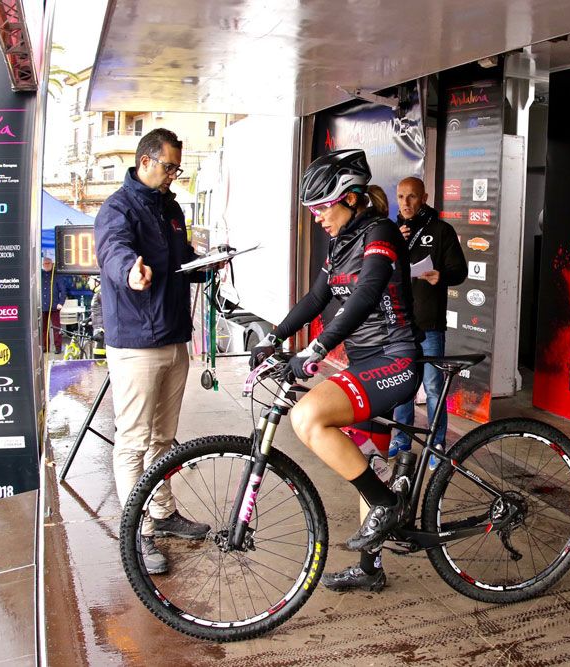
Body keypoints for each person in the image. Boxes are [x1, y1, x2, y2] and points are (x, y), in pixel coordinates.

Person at [250, 149, 421, 592]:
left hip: (395, 359)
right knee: (369, 466)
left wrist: (317, 347)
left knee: (307, 416)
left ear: (349, 198)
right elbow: (316, 298)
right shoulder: (340, 242)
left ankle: (387, 504)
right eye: (312, 210)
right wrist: (275, 336)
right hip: (366, 364)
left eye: (321, 208)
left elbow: (366, 294)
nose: (317, 218)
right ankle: (370, 567)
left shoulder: (380, 233)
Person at [95, 128, 211, 575]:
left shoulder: (171, 208)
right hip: (136, 343)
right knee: (133, 442)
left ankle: (162, 513)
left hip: (174, 336)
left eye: (177, 168)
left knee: (163, 439)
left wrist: (204, 265)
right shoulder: (117, 208)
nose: (173, 175)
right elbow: (113, 250)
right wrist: (130, 270)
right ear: (145, 161)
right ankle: (137, 532)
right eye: (168, 167)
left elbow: (179, 261)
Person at [390, 177, 466, 466]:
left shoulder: (441, 230)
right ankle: (401, 440)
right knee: (402, 388)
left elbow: (459, 271)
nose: (405, 203)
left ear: (424, 197)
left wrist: (441, 276)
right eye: (401, 197)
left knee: (433, 389)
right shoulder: (392, 231)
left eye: (412, 196)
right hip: (400, 325)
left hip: (430, 325)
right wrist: (397, 243)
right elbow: (379, 272)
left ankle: (436, 445)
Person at [41, 254, 66, 354]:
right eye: (45, 263)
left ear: (52, 264)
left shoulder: (56, 276)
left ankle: (58, 347)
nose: (47, 265)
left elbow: (63, 291)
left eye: (48, 263)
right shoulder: (40, 275)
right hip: (42, 306)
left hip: (54, 306)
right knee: (44, 329)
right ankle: (45, 347)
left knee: (56, 328)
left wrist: (61, 303)